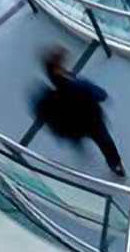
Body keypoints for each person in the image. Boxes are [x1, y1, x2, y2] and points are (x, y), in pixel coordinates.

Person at [34, 46, 125, 177]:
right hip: (92, 121)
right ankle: (115, 165)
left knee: (81, 138)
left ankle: (79, 145)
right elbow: (101, 95)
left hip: (72, 125)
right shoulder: (76, 84)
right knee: (106, 143)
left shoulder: (54, 88)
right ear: (57, 67)